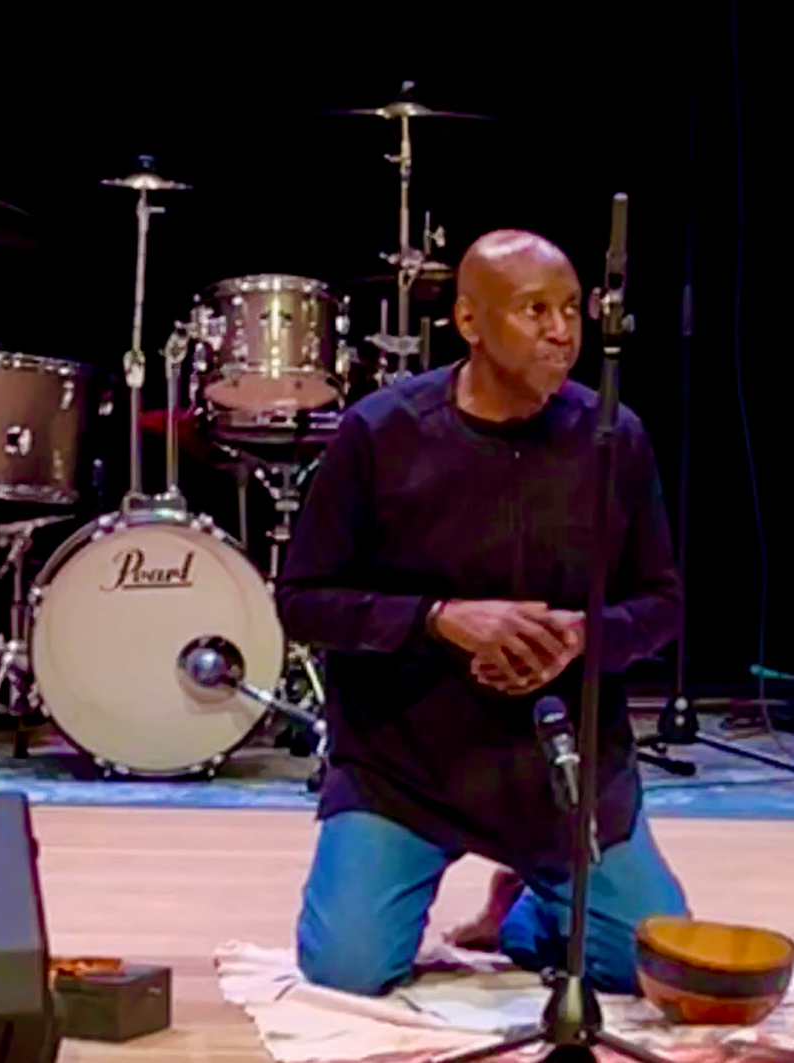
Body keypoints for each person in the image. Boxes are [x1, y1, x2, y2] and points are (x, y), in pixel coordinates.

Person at [275, 229, 689, 995]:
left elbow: (662, 606)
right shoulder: (379, 431)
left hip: (560, 772)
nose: (562, 330)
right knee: (347, 968)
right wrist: (440, 618)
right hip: (407, 764)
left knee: (646, 965)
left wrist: (583, 636)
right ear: (469, 322)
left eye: (572, 308)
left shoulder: (614, 437)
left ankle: (527, 913)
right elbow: (302, 602)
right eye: (535, 309)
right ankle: (489, 888)